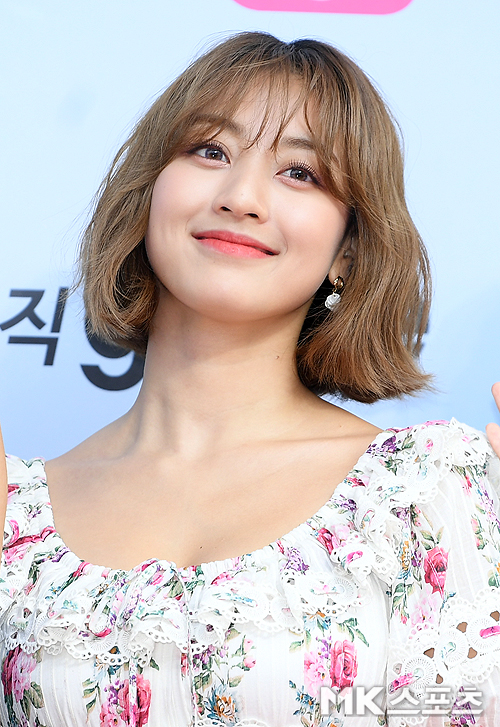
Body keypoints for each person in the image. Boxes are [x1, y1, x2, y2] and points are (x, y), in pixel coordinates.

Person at [0, 31, 499, 727]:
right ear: (149, 194)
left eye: (300, 172)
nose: (242, 197)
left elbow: (461, 709)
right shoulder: (17, 514)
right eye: (211, 151)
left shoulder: (423, 489)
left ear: (348, 250)